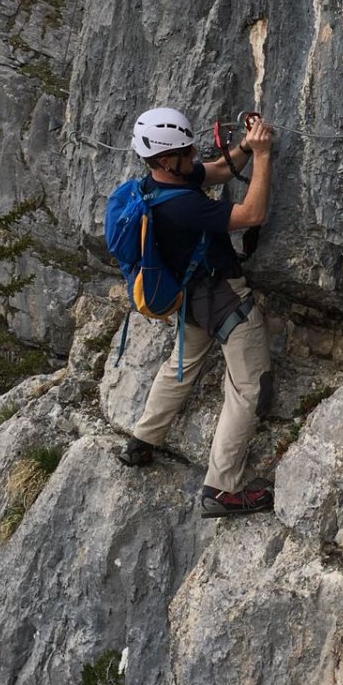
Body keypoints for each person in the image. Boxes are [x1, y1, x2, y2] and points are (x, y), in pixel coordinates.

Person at [117, 105, 276, 517]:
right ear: (165, 160)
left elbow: (217, 171)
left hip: (190, 297)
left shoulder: (155, 185)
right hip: (223, 297)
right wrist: (263, 155)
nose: (193, 155)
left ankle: (143, 440)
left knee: (180, 365)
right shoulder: (183, 206)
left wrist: (245, 146)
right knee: (250, 388)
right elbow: (252, 214)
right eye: (185, 152)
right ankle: (222, 489)